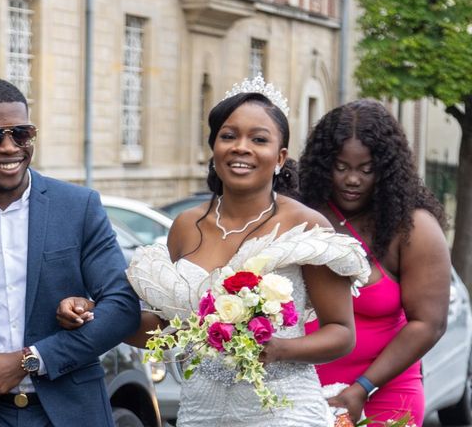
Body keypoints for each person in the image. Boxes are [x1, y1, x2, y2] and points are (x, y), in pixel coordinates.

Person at [57, 75, 371, 426]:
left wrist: (280, 349)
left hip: (283, 409)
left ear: (280, 156)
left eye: (259, 139)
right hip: (200, 410)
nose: (241, 147)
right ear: (214, 148)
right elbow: (168, 327)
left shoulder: (306, 226)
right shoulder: (186, 226)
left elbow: (342, 333)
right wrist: (93, 315)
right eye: (228, 136)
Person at [0, 78, 141, 427]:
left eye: (21, 134)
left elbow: (122, 309)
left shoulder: (78, 207)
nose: (9, 147)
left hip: (72, 413)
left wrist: (29, 360)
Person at [301, 99, 451, 426]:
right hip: (298, 393)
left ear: (386, 169)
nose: (352, 179)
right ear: (323, 164)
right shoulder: (301, 214)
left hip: (385, 391)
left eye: (366, 169)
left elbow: (429, 323)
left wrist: (362, 388)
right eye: (341, 167)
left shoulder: (412, 227)